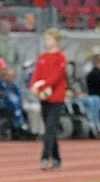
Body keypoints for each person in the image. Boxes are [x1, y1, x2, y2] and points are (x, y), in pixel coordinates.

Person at [30, 27, 68, 170]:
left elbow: (56, 77)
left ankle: (45, 157)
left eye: (49, 39)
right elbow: (37, 74)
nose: (47, 42)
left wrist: (43, 86)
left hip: (56, 98)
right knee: (49, 129)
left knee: (50, 129)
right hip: (43, 98)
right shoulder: (42, 57)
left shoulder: (61, 58)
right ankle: (57, 158)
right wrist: (34, 86)